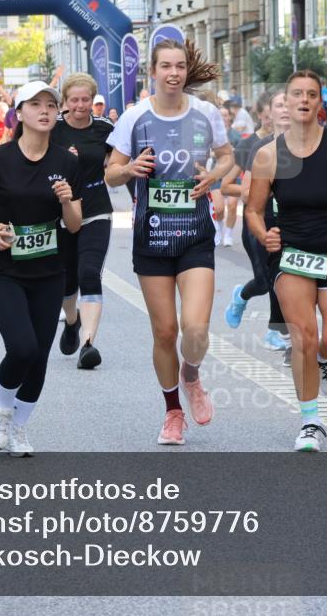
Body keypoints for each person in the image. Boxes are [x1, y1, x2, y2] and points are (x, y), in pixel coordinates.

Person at [105, 38, 234, 446]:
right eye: (166, 66)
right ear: (153, 71)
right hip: (152, 237)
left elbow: (227, 156)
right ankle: (173, 412)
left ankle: (191, 375)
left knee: (195, 329)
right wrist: (130, 168)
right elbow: (110, 172)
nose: (174, 73)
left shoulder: (206, 113)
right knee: (164, 332)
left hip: (195, 235)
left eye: (179, 66)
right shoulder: (134, 117)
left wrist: (214, 177)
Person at [245, 70, 327, 452]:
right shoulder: (269, 154)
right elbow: (253, 210)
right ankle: (310, 422)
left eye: (311, 94)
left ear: (320, 103)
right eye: (297, 94)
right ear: (286, 101)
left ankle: (324, 360)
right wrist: (263, 234)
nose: (303, 100)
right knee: (304, 334)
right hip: (292, 254)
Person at [0, 80, 83, 457]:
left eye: (51, 105)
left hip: (49, 272)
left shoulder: (67, 162)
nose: (44, 111)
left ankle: (19, 427)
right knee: (22, 347)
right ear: (20, 113)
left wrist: (67, 201)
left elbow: (74, 225)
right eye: (35, 104)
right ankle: (1, 409)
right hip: (3, 270)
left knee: (40, 356)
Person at [49, 73, 116, 370]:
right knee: (67, 280)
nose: (80, 105)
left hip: (96, 208)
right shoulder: (53, 127)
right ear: (65, 101)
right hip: (61, 210)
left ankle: (88, 344)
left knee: (89, 272)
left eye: (85, 100)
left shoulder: (105, 128)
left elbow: (119, 162)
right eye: (74, 100)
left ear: (93, 100)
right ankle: (71, 321)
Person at [223, 90, 292, 355]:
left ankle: (276, 331)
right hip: (258, 224)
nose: (283, 111)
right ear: (265, 113)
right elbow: (232, 187)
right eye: (278, 106)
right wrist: (267, 190)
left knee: (281, 278)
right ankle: (241, 296)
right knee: (265, 282)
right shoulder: (252, 146)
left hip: (285, 224)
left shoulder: (299, 143)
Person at [212, 106, 240, 247]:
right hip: (217, 173)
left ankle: (228, 234)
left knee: (232, 205)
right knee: (219, 209)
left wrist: (233, 153)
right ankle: (218, 229)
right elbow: (205, 151)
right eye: (220, 115)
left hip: (233, 174)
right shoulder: (213, 133)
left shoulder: (235, 135)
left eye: (225, 115)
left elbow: (242, 154)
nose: (223, 118)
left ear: (230, 117)